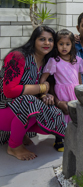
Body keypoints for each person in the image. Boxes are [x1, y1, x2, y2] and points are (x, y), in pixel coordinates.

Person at [0, 26, 66, 161]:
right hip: (3, 108)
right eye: (42, 39)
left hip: (19, 108)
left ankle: (20, 132)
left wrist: (45, 95)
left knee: (56, 112)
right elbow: (9, 91)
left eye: (50, 40)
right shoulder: (18, 56)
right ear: (33, 40)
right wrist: (41, 88)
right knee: (30, 102)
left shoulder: (47, 62)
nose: (47, 43)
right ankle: (14, 146)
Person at [40, 29, 83, 151]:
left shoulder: (77, 60)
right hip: (62, 93)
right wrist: (43, 91)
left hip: (75, 92)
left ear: (72, 45)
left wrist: (82, 92)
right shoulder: (54, 61)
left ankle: (73, 137)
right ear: (56, 45)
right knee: (62, 115)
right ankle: (58, 140)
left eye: (67, 44)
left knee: (74, 115)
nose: (64, 47)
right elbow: (44, 77)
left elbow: (79, 78)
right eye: (61, 44)